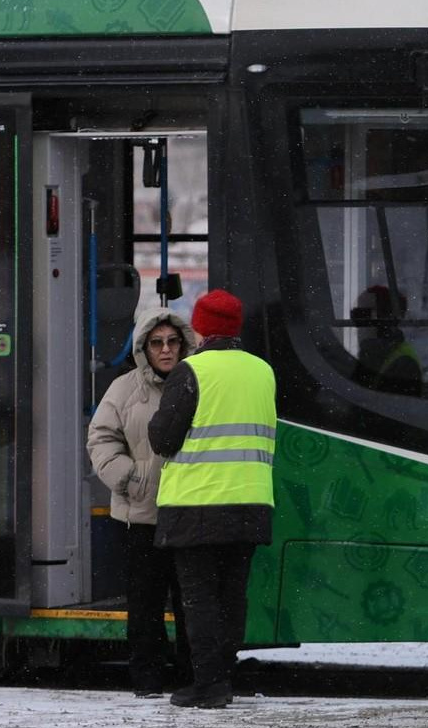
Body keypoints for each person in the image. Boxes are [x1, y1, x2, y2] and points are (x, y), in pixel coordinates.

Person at [149, 288, 277, 709]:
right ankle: (223, 675)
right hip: (251, 503)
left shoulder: (191, 372)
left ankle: (208, 685)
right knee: (231, 596)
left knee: (199, 598)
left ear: (200, 328)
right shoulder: (262, 371)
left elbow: (163, 438)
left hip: (198, 504)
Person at [88, 308, 197, 697]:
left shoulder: (198, 384)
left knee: (191, 604)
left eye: (172, 342)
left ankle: (191, 678)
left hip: (189, 513)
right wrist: (131, 478)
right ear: (143, 348)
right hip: (140, 514)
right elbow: (101, 438)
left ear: (184, 343)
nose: (166, 350)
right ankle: (147, 680)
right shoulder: (123, 389)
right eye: (157, 343)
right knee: (145, 605)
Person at [351, 284, 422, 395]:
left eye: (362, 315)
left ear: (384, 320)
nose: (357, 324)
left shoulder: (403, 364)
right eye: (355, 317)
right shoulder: (371, 357)